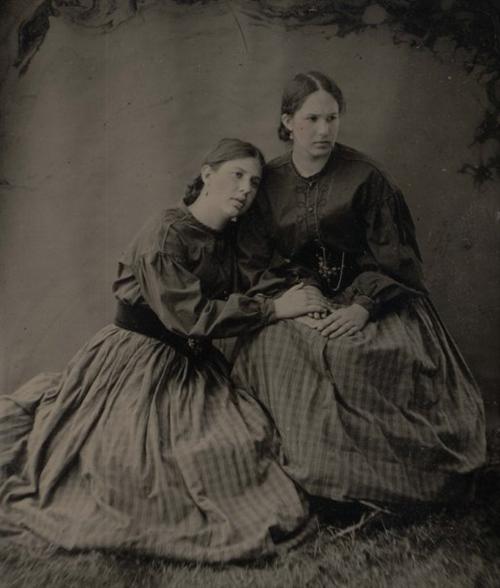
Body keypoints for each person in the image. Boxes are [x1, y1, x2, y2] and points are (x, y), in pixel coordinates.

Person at [0, 138, 327, 562]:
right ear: (207, 175)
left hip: (192, 364)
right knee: (132, 462)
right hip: (136, 361)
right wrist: (274, 308)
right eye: (236, 175)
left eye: (254, 181)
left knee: (241, 441)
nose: (245, 189)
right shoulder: (165, 232)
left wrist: (304, 292)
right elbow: (189, 316)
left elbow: (258, 275)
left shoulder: (231, 235)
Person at [234, 72, 487, 508]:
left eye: (332, 118)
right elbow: (255, 259)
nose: (324, 130)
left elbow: (399, 262)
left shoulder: (367, 178)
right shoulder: (268, 183)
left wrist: (363, 307)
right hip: (298, 298)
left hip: (378, 296)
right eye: (312, 119)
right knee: (275, 346)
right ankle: (312, 471)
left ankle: (373, 480)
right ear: (288, 121)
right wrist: (298, 297)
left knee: (357, 353)